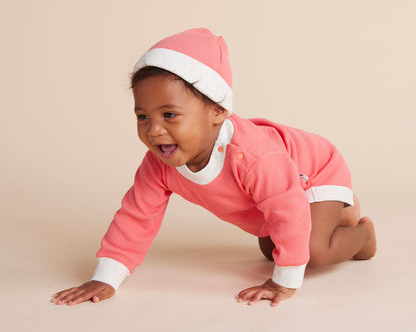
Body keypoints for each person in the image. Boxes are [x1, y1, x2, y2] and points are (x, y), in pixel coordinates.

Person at [51, 28, 376, 307]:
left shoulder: (254, 156)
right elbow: (137, 216)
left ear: (218, 111)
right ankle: (336, 217)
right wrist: (106, 278)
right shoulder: (159, 164)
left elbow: (288, 209)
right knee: (271, 249)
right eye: (143, 116)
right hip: (275, 195)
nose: (154, 130)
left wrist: (282, 284)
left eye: (169, 115)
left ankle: (361, 234)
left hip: (312, 175)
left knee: (310, 252)